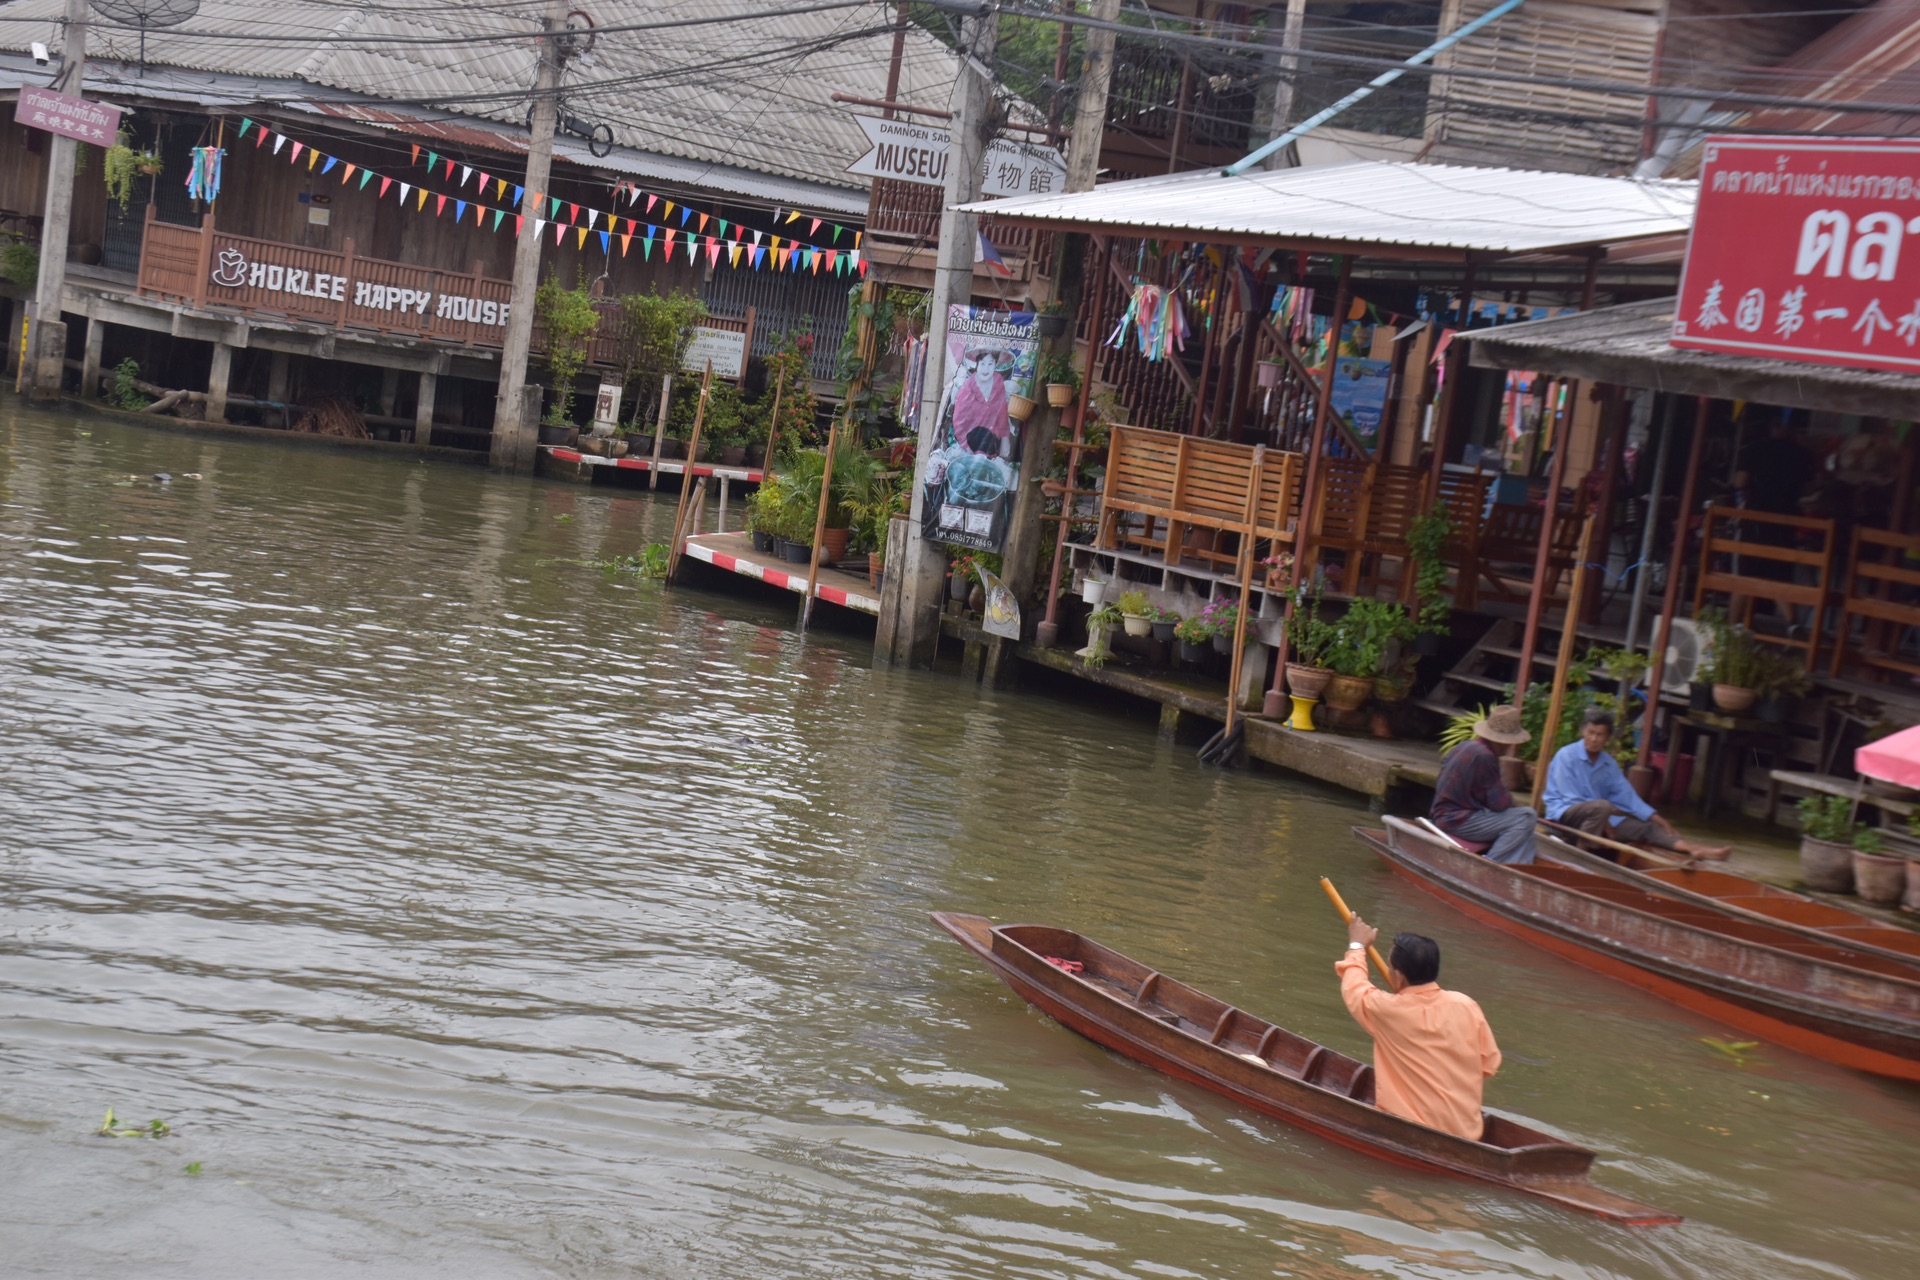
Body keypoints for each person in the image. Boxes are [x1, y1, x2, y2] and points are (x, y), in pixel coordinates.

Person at [1337, 915, 1502, 1141]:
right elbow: (1489, 1064)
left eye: (1389, 966)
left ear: (1398, 976)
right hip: (1467, 1134)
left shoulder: (1387, 1010)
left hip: (1411, 1133)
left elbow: (1355, 987)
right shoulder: (1466, 1005)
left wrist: (1357, 945)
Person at [1543, 706, 1732, 859]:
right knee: (1602, 806)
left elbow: (1627, 795)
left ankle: (1693, 849)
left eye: (1600, 734)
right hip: (1565, 813)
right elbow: (1570, 797)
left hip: (1600, 815)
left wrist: (1657, 818)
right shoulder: (1566, 756)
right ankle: (1581, 856)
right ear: (1583, 731)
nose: (1594, 738)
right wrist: (1604, 817)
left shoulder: (1608, 763)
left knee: (1648, 828)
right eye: (1590, 732)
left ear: (1607, 738)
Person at [1430, 704, 1536, 864]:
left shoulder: (1464, 746)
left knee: (1527, 831)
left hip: (1443, 815)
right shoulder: (1485, 756)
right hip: (1456, 820)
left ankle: (1520, 867)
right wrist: (1514, 807)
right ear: (1504, 742)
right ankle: (1490, 863)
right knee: (1527, 816)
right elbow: (1499, 804)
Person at [950, 346, 1014, 458]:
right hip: (970, 447)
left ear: (995, 364)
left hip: (993, 445)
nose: (986, 369)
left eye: (990, 364)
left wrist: (1005, 440)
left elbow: (1002, 412)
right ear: (977, 365)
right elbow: (958, 424)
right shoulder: (966, 389)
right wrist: (969, 451)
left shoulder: (998, 382)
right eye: (982, 364)